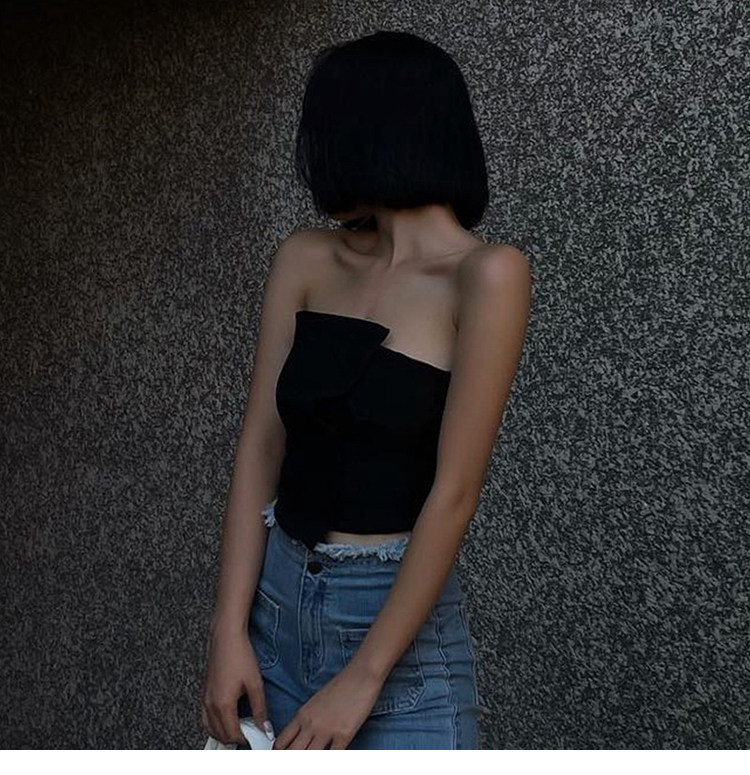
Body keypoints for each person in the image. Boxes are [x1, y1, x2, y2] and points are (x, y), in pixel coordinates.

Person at [201, 29, 531, 750]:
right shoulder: (306, 258)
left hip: (394, 637)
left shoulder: (488, 275)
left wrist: (363, 677)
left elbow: (455, 491)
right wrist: (228, 629)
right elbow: (261, 447)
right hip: (274, 611)